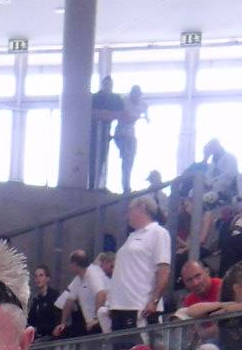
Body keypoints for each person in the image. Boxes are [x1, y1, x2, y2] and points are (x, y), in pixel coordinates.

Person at [104, 195, 172, 334]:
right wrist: (111, 303)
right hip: (120, 307)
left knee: (139, 347)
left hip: (139, 306)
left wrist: (154, 301)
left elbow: (163, 270)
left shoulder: (158, 233)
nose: (127, 215)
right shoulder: (132, 236)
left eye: (130, 210)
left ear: (142, 208)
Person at [57, 249, 111, 336]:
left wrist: (96, 318)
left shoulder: (93, 273)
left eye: (71, 263)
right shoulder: (78, 279)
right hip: (92, 324)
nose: (70, 266)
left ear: (75, 264)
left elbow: (101, 294)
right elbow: (69, 302)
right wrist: (62, 323)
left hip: (103, 322)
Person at [115, 86, 148, 195]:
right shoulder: (125, 101)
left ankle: (126, 185)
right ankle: (125, 186)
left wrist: (145, 117)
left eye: (138, 95)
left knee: (129, 160)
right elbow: (125, 117)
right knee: (127, 158)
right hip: (121, 131)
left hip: (130, 133)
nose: (136, 97)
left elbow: (145, 113)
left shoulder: (143, 105)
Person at [25, 263, 61, 338]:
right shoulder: (36, 300)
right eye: (36, 276)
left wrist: (39, 329)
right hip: (39, 339)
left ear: (47, 278)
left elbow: (56, 320)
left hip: (53, 338)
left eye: (41, 275)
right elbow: (30, 320)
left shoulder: (54, 296)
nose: (38, 278)